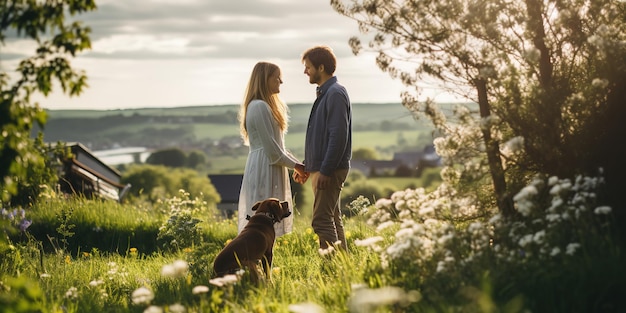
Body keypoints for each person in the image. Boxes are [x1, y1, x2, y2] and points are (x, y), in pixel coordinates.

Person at [237, 61, 307, 236]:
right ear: (264, 79)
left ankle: (261, 262)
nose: (280, 82)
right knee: (260, 224)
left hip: (269, 164)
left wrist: (297, 164)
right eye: (277, 78)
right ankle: (253, 260)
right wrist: (298, 166)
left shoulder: (265, 106)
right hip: (264, 167)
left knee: (265, 226)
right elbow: (273, 151)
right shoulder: (259, 107)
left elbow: (278, 147)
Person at [294, 46, 352, 252]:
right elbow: (322, 137)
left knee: (321, 220)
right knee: (332, 218)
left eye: (308, 67)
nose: (305, 71)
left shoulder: (335, 94)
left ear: (321, 67)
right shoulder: (326, 93)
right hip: (325, 167)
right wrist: (309, 166)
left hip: (331, 169)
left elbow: (338, 136)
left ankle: (331, 267)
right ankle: (343, 266)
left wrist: (326, 170)